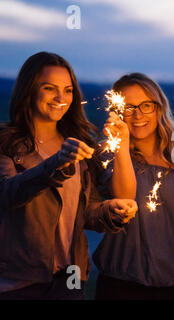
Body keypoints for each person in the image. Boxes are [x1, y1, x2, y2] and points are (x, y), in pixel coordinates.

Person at [0, 52, 137, 300]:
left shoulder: (79, 145)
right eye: (49, 88)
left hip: (70, 281)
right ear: (29, 90)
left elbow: (85, 213)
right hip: (18, 283)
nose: (60, 98)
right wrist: (56, 163)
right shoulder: (5, 142)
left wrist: (110, 209)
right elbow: (7, 194)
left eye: (68, 90)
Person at [93, 73, 174, 300]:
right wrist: (121, 145)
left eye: (146, 105)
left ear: (158, 108)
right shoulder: (107, 152)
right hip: (119, 284)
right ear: (117, 111)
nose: (137, 114)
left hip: (172, 285)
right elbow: (124, 198)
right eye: (128, 107)